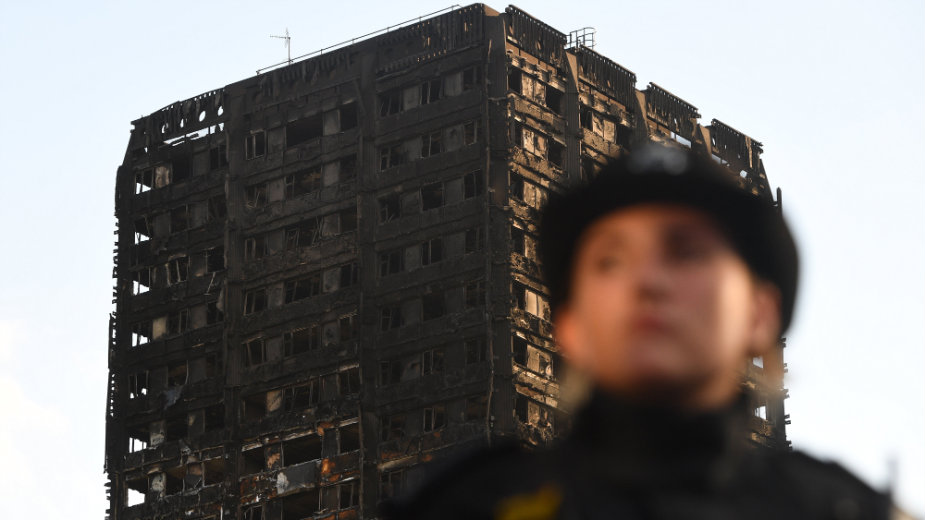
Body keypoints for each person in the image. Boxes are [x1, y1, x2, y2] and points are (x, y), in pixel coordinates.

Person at [381, 143, 892, 520]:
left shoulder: (837, 510)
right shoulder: (467, 507)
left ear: (760, 314)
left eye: (686, 251)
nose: (646, 281)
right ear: (571, 327)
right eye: (610, 260)